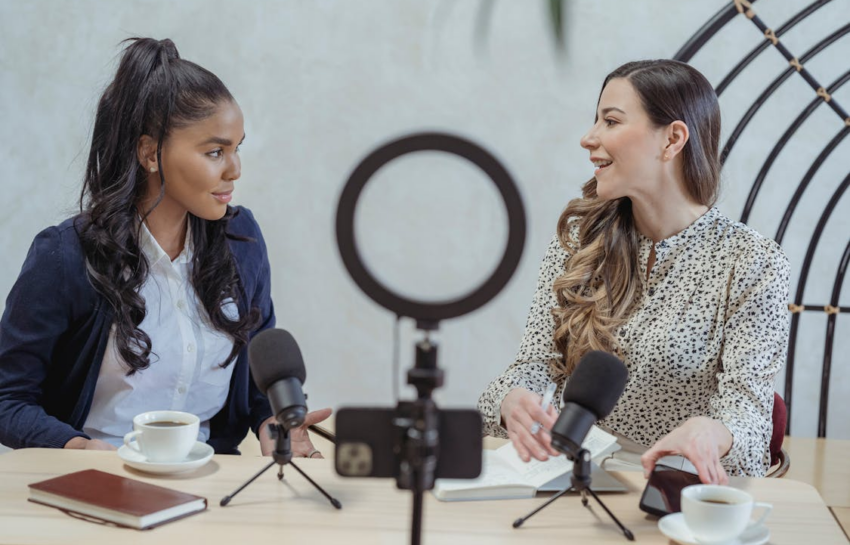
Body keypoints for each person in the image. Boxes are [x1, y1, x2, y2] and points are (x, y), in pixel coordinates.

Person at [0, 38, 329, 458]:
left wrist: (272, 424)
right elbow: (8, 398)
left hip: (209, 483)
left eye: (236, 147)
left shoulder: (241, 242)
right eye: (215, 151)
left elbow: (257, 374)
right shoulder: (65, 256)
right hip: (98, 481)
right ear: (150, 153)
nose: (235, 169)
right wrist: (76, 446)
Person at [478, 59, 790, 484]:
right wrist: (513, 399)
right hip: (568, 477)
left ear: (673, 139)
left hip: (674, 487)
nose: (589, 138)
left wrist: (715, 432)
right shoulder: (579, 238)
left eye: (610, 121)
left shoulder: (753, 262)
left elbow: (749, 411)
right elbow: (537, 362)